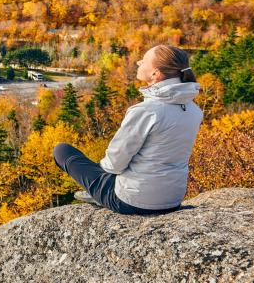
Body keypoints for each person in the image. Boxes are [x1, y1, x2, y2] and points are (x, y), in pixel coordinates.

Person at [52, 44, 203, 215]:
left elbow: (114, 163)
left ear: (156, 74)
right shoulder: (194, 111)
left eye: (144, 61)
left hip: (133, 201)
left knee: (62, 150)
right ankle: (99, 189)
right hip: (172, 199)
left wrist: (98, 177)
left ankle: (97, 192)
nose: (139, 62)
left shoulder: (147, 111)